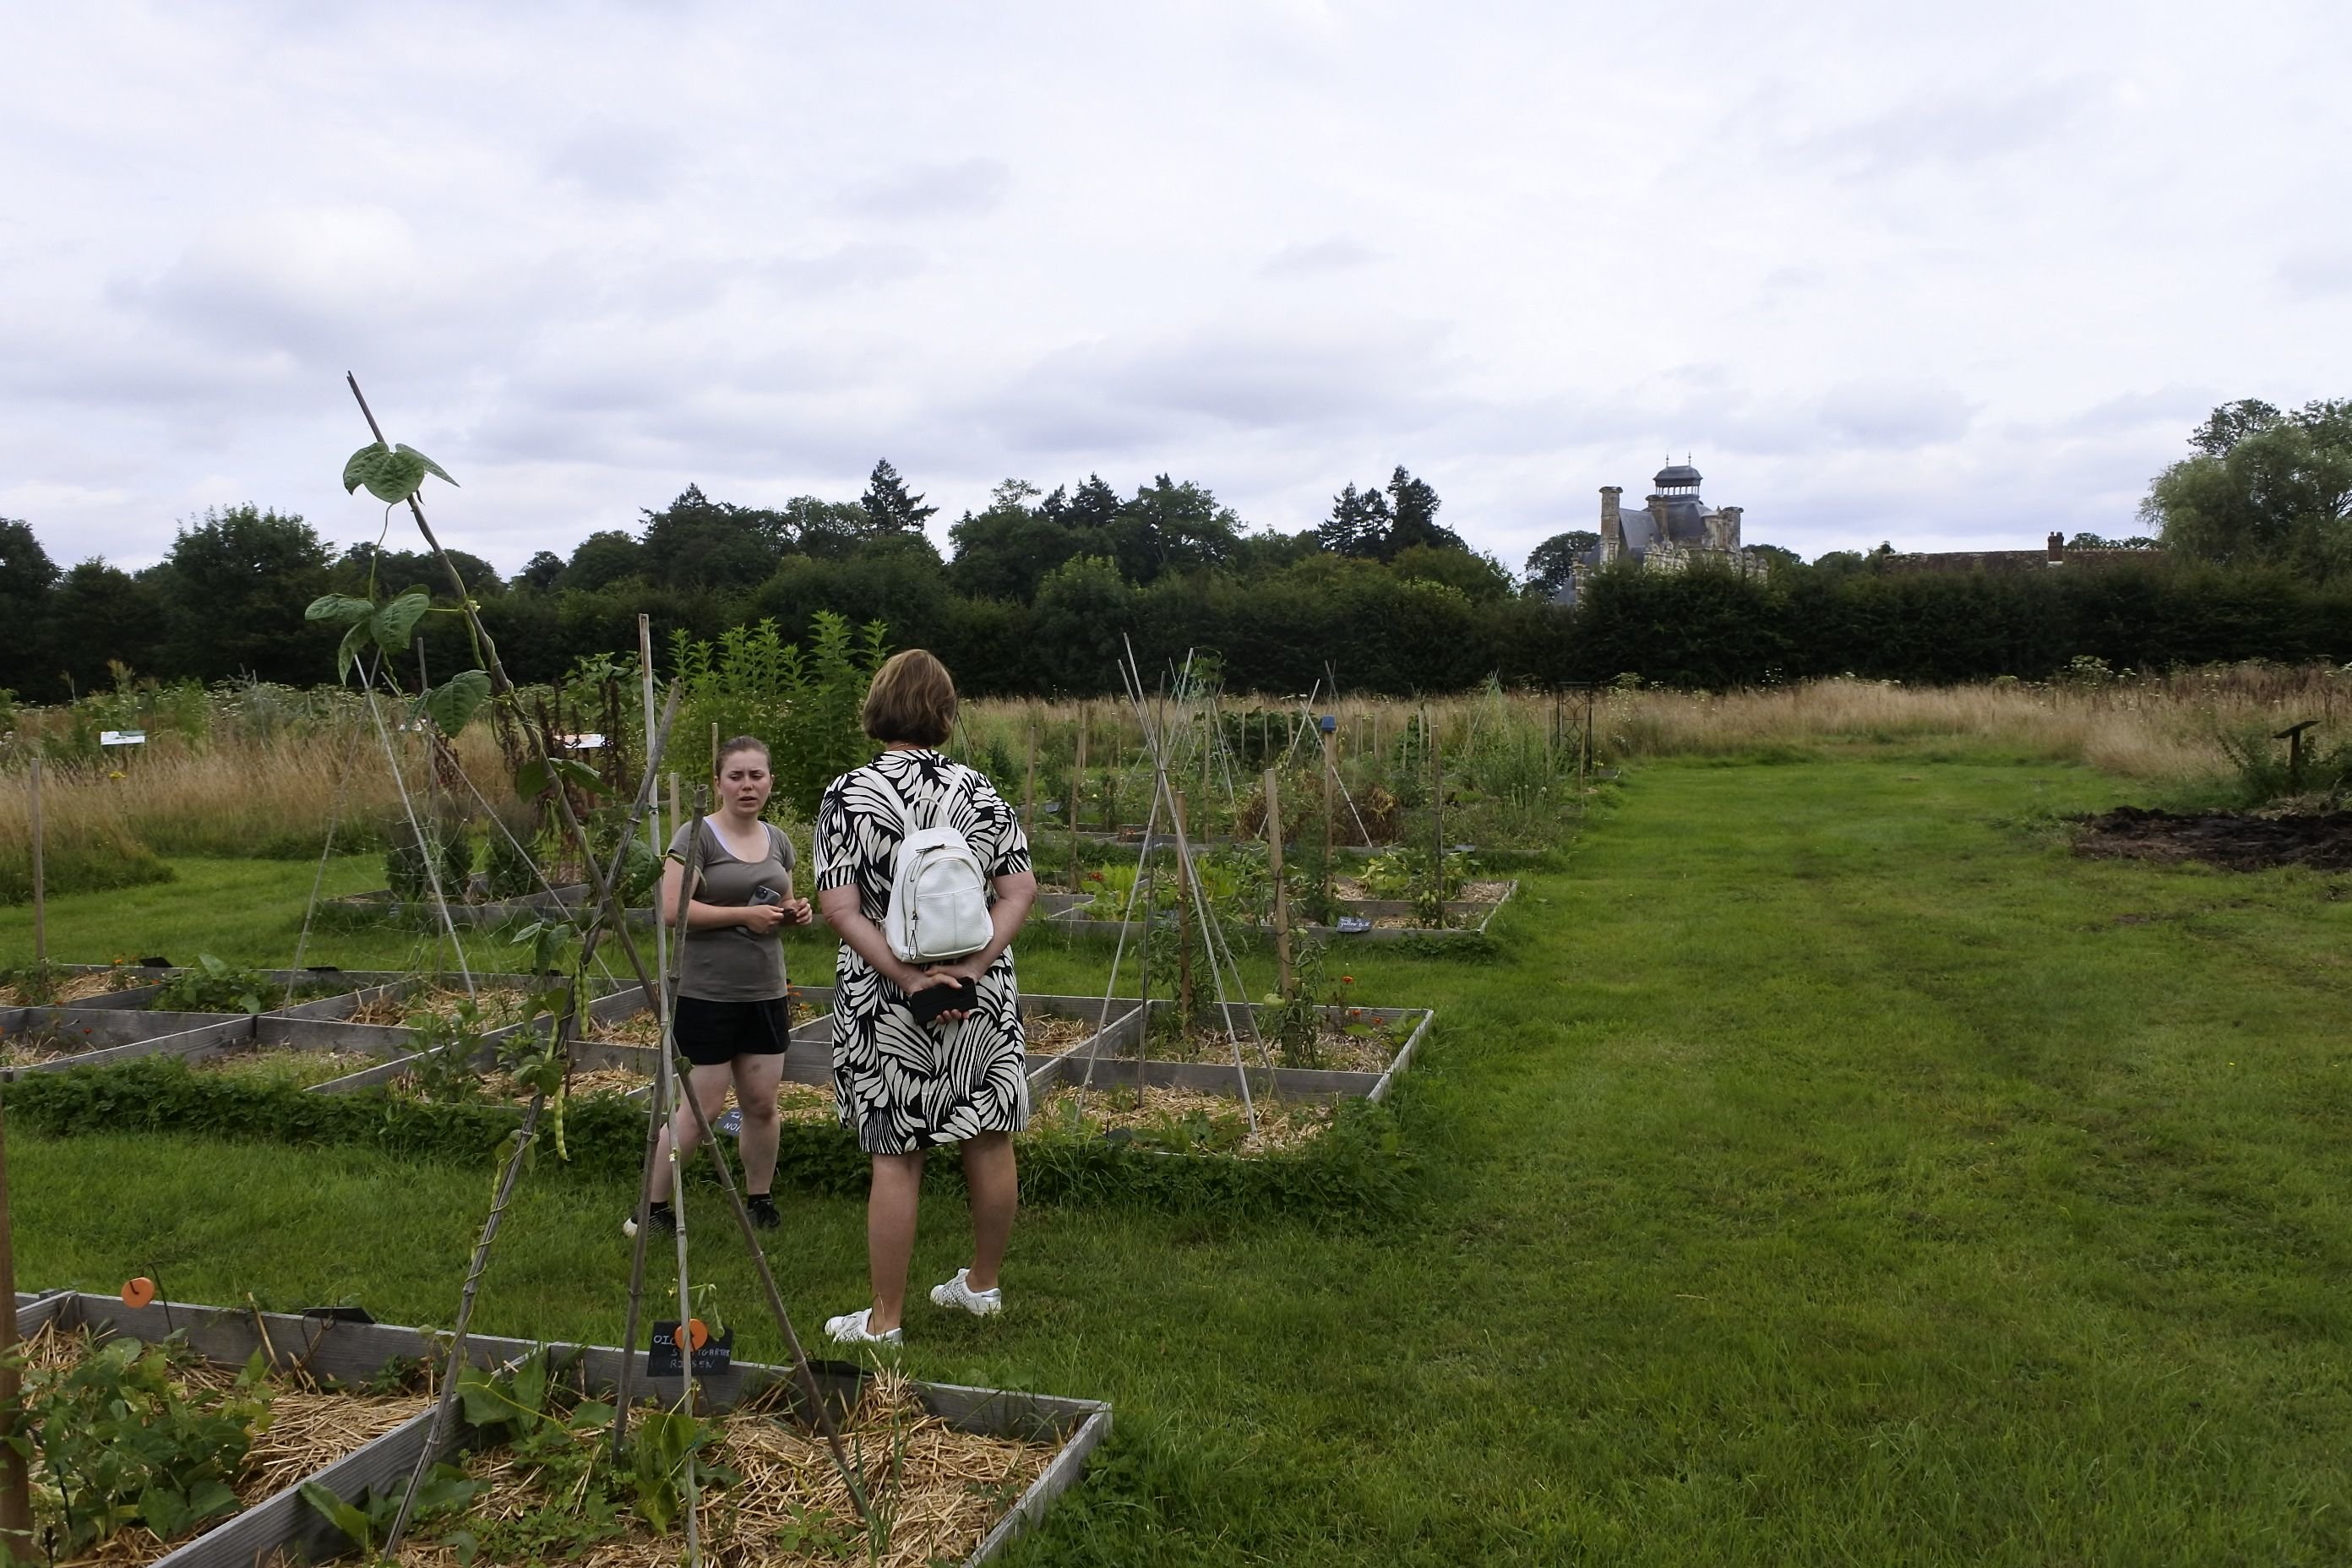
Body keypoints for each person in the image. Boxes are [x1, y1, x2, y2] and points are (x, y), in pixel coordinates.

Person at [813, 650, 1036, 1344]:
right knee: (990, 1139)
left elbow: (841, 909)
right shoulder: (979, 792)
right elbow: (1019, 888)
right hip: (979, 992)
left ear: (878, 706)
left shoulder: (848, 795)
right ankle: (982, 1285)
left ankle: (885, 1322)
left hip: (888, 998)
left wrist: (910, 978)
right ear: (945, 710)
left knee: (896, 1156)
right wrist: (971, 968)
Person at [636, 734, 813, 1237]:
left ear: (770, 782)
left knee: (761, 1102)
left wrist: (792, 914)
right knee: (702, 1106)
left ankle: (760, 1197)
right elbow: (672, 910)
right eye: (736, 776)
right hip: (706, 994)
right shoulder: (697, 837)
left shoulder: (777, 840)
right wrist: (743, 915)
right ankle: (651, 1208)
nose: (747, 785)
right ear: (718, 783)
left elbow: (781, 906)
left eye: (757, 775)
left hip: (764, 992)